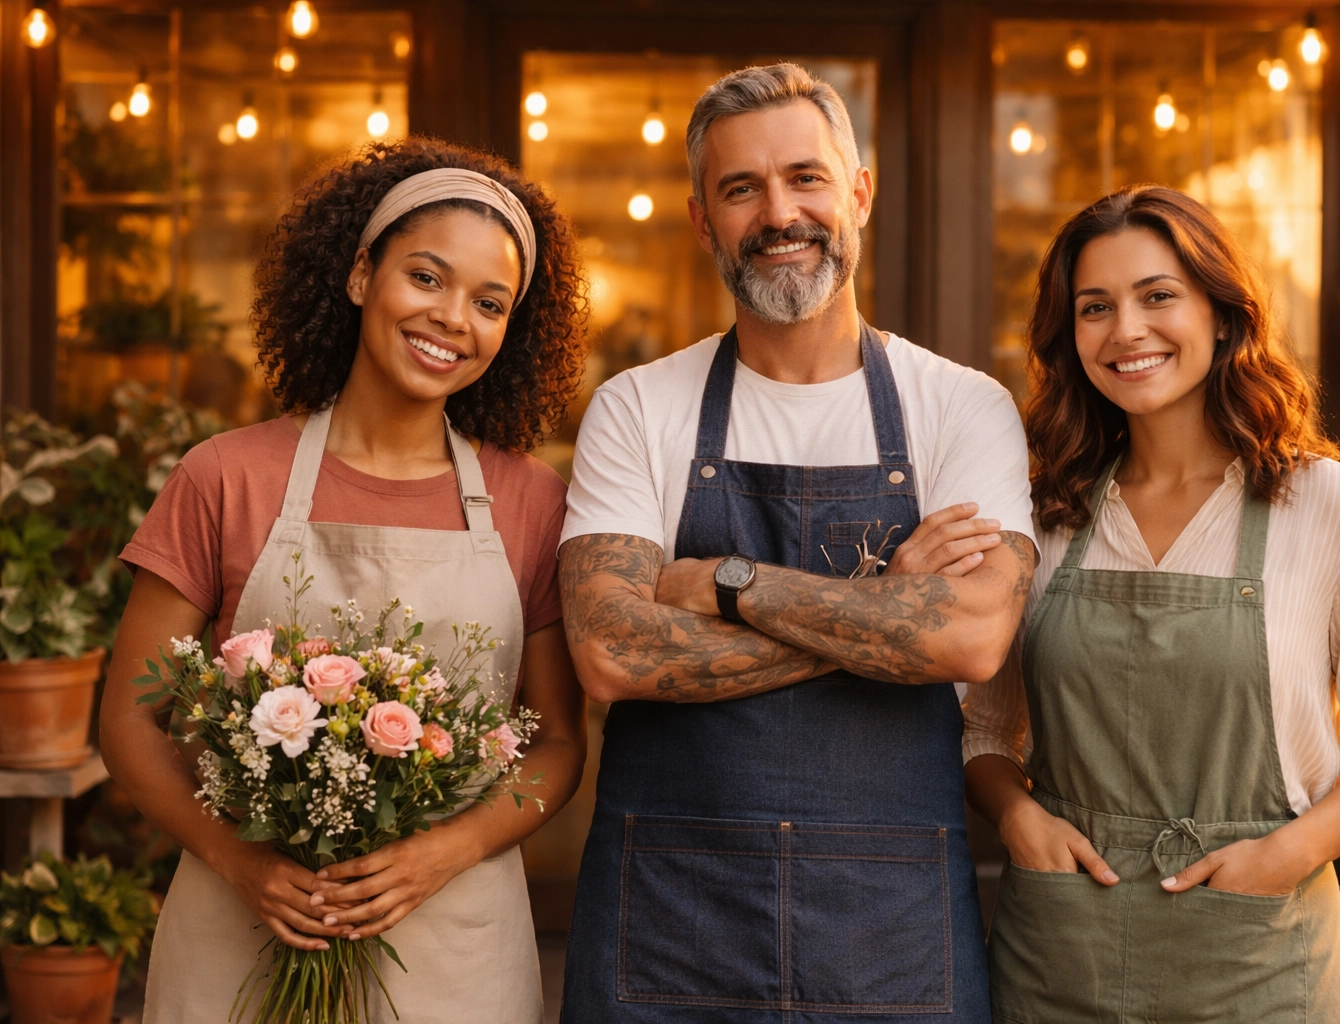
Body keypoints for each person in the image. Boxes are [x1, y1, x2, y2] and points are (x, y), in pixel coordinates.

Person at [556, 63, 1036, 1023]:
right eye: (742, 189)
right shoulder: (638, 408)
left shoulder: (962, 407)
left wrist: (727, 584)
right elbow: (611, 650)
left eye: (806, 179)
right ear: (703, 220)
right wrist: (886, 612)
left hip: (889, 929)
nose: (780, 213)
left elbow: (970, 641)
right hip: (670, 912)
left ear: (858, 194)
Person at [99, 138, 590, 1023]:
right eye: (426, 278)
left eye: (490, 302)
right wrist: (245, 863)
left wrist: (447, 849)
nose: (452, 318)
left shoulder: (529, 500)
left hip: (456, 949)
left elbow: (557, 743)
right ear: (362, 275)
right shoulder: (226, 477)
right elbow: (130, 720)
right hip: (238, 934)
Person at [964, 185, 1340, 1022]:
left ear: (1222, 316)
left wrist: (1287, 853)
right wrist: (1016, 816)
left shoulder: (1331, 507)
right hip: (1060, 960)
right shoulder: (1042, 517)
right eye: (1095, 307)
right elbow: (982, 729)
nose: (1127, 331)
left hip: (1261, 961)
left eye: (1159, 296)